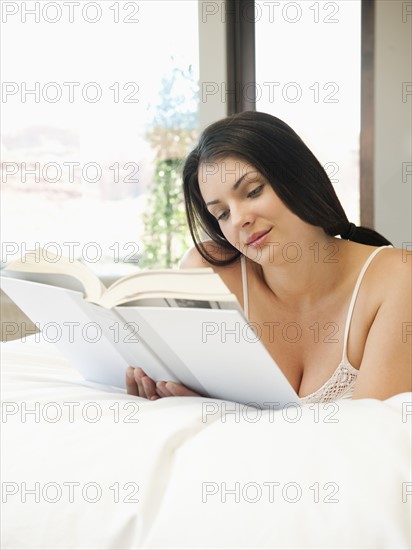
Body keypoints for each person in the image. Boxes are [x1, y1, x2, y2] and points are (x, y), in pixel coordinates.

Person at [126, 111, 411, 403]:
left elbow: (373, 437)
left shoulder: (396, 278)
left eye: (253, 191)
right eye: (222, 213)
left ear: (300, 177)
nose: (238, 220)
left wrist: (227, 414)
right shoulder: (208, 275)